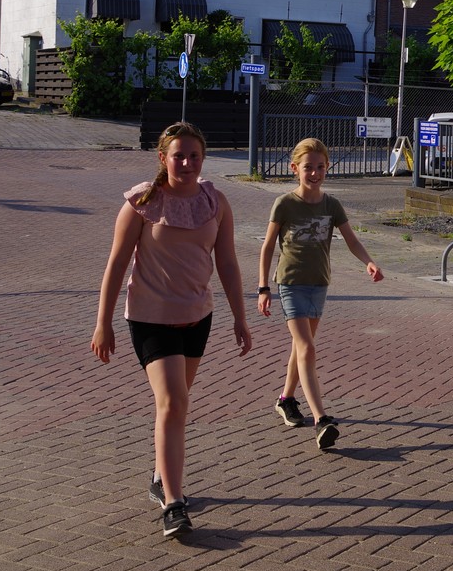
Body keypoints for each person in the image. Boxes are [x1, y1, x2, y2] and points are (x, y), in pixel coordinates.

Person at [92, 121, 251, 538]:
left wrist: (240, 317)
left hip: (197, 317)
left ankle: (161, 475)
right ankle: (174, 504)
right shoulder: (142, 202)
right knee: (174, 403)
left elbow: (227, 263)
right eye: (178, 156)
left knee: (177, 406)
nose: (187, 163)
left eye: (194, 156)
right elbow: (116, 264)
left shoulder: (215, 202)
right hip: (150, 319)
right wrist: (103, 322)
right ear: (163, 158)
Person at [258, 137, 383, 451]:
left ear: (327, 168)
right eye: (307, 167)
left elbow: (352, 240)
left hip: (319, 284)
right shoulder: (284, 203)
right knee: (307, 348)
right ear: (295, 169)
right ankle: (321, 418)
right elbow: (268, 246)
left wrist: (368, 262)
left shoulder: (332, 205)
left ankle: (286, 399)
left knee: (302, 348)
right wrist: (263, 287)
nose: (314, 173)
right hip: (290, 283)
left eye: (320, 167)